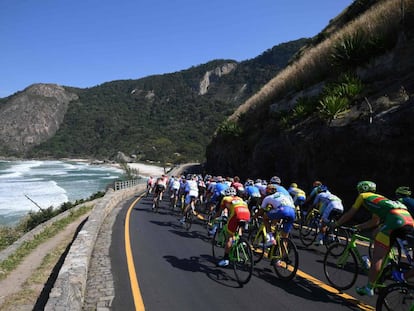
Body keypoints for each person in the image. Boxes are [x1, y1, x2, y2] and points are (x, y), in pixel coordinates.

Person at [334, 181, 414, 296]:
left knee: (377, 257)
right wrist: (358, 227)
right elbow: (374, 222)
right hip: (409, 220)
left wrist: (337, 224)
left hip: (394, 219)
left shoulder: (363, 196)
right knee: (376, 233)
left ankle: (369, 287)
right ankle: (389, 265)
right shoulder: (381, 199)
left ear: (360, 189)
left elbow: (350, 213)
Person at [252, 184, 296, 261]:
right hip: (292, 212)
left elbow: (261, 211)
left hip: (282, 210)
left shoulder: (268, 198)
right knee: (284, 237)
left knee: (265, 217)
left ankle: (270, 238)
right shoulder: (282, 194)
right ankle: (282, 257)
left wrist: (254, 217)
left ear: (267, 192)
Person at [213, 187, 251, 267]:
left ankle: (225, 259)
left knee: (229, 237)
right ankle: (241, 241)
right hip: (247, 214)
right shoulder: (240, 198)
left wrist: (214, 218)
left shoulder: (225, 198)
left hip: (236, 215)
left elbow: (220, 211)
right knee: (239, 227)